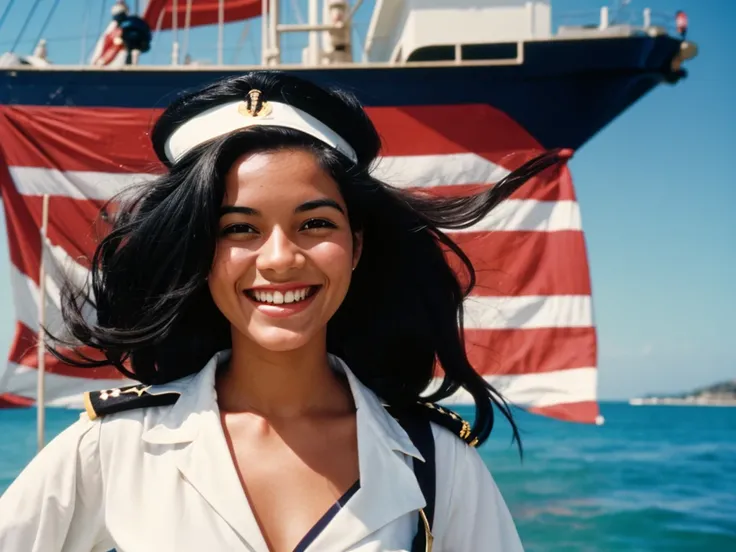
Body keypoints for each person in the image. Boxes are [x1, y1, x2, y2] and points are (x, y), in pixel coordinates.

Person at [0, 71, 568, 551]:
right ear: (201, 251)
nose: (279, 259)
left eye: (315, 223)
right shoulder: (108, 449)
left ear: (357, 245)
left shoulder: (440, 462)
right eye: (239, 229)